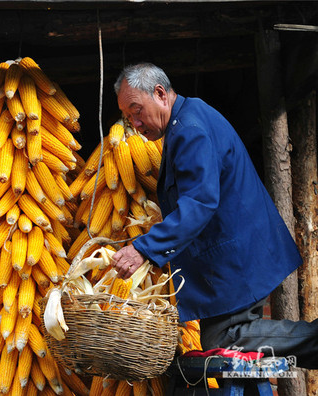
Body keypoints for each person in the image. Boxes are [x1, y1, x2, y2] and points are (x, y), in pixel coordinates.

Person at [110, 62, 318, 368]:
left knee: (224, 341)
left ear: (160, 94)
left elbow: (199, 203)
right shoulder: (187, 120)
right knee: (221, 342)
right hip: (236, 253)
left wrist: (144, 248)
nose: (136, 123)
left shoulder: (190, 130)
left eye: (137, 111)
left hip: (238, 255)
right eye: (129, 118)